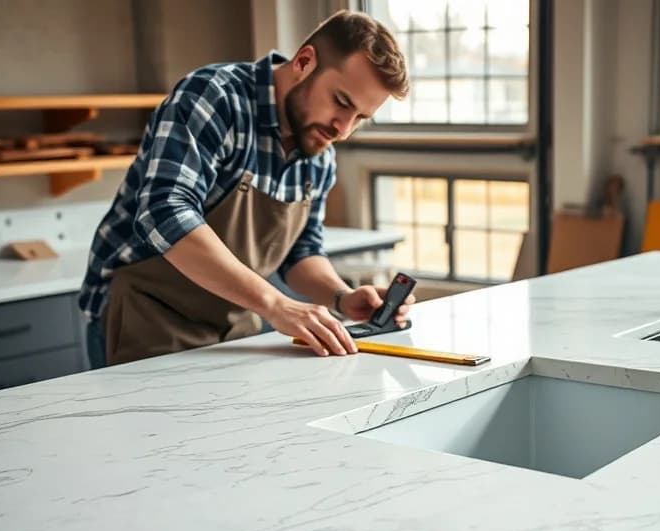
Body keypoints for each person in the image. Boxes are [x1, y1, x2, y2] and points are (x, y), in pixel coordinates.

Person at [77, 10, 414, 368]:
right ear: (304, 61)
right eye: (342, 102)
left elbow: (300, 251)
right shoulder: (214, 97)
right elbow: (165, 211)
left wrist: (342, 298)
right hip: (146, 319)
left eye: (360, 118)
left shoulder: (318, 152)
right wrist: (274, 303)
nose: (343, 130)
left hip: (234, 327)